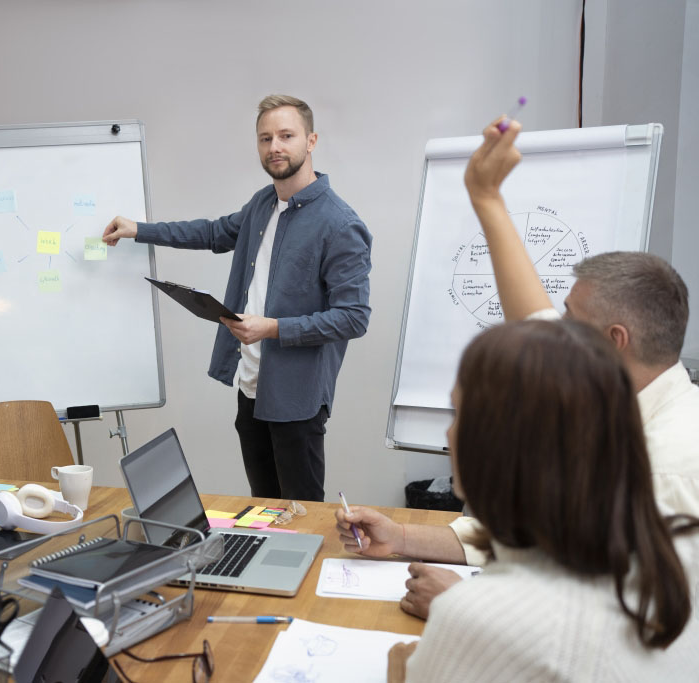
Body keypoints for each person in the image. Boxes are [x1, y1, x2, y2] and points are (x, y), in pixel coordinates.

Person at [338, 115, 699, 618]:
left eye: (570, 321)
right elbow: (535, 535)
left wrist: (466, 606)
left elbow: (619, 628)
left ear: (615, 342)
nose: (551, 332)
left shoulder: (671, 466)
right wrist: (401, 537)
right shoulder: (611, 396)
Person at [386, 319, 699, 682]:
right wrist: (402, 537)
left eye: (458, 415)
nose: (448, 432)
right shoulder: (667, 548)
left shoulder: (473, 617)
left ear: (499, 445)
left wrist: (401, 676)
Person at [103, 95, 372, 502]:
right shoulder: (263, 203)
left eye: (286, 136)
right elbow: (212, 233)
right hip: (251, 390)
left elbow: (353, 317)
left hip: (296, 401)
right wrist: (139, 229)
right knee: (265, 511)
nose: (274, 147)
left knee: (303, 518)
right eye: (265, 138)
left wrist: (272, 329)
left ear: (311, 141)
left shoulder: (340, 224)